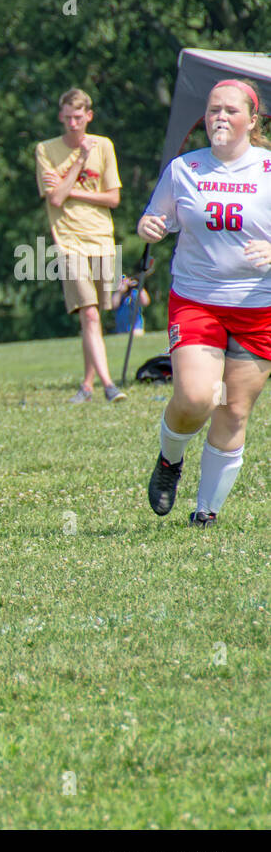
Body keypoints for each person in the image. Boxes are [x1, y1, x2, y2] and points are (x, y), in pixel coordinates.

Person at [140, 78, 271, 527]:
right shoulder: (184, 169)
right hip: (197, 299)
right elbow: (155, 218)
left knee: (235, 408)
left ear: (252, 120)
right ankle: (169, 460)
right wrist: (150, 228)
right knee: (196, 397)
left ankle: (206, 513)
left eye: (231, 110)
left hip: (260, 306)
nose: (219, 117)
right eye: (213, 109)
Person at [36, 88, 127, 403]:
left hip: (102, 237)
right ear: (60, 116)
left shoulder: (104, 146)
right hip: (68, 240)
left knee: (97, 315)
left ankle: (86, 387)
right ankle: (109, 385)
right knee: (88, 314)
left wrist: (69, 189)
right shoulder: (46, 150)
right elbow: (55, 200)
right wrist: (81, 162)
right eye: (68, 117)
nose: (73, 123)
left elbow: (113, 198)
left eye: (79, 117)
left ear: (89, 116)